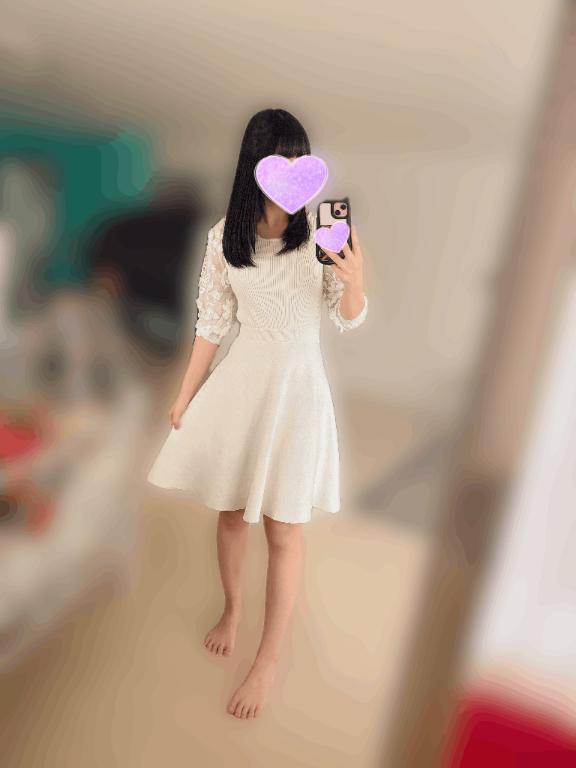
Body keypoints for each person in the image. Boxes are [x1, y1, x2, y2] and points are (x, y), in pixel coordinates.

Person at [147, 108, 368, 719]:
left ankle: (267, 659)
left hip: (297, 391)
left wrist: (354, 280)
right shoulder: (226, 237)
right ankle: (233, 609)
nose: (293, 168)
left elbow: (347, 317)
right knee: (230, 513)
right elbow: (212, 322)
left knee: (285, 529)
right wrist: (185, 394)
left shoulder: (326, 228)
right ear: (255, 164)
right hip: (242, 384)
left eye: (300, 156)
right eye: (281, 156)